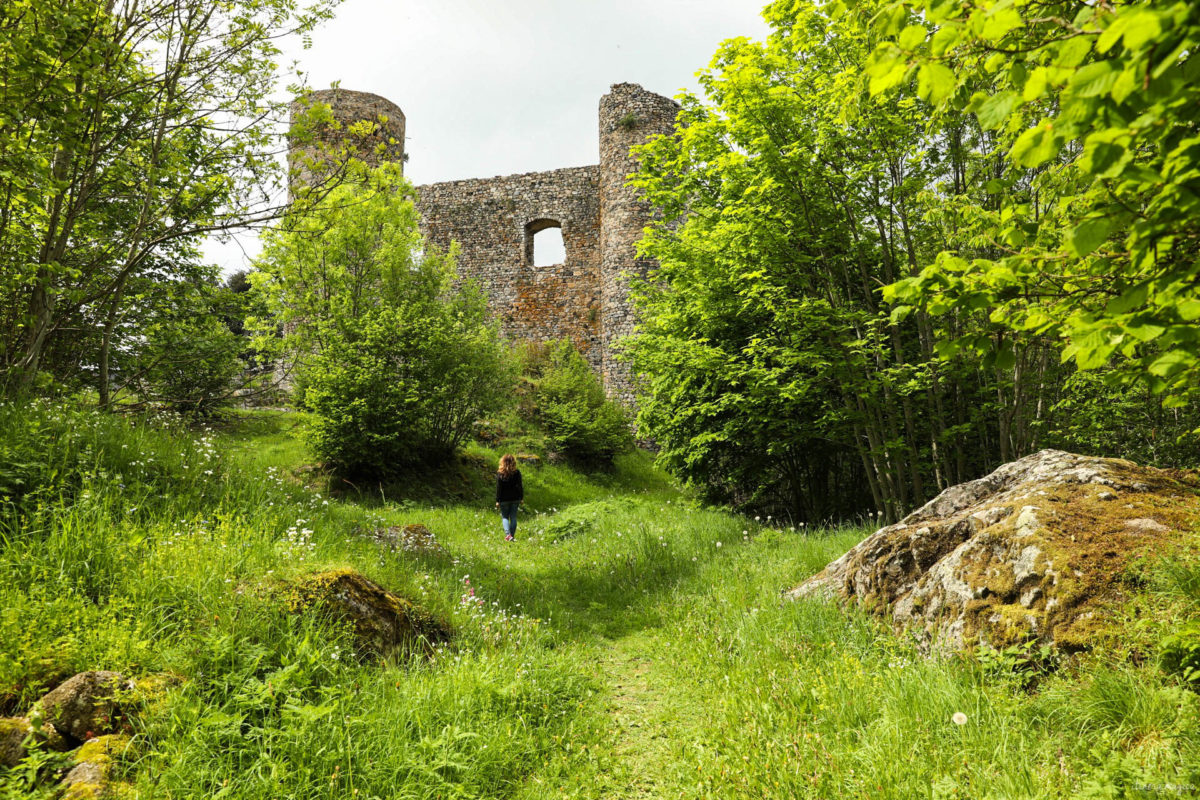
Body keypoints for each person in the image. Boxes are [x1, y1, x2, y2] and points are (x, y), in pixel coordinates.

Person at [495, 453, 524, 541]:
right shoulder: (517, 472)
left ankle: (508, 535)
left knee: (505, 517)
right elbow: (520, 486)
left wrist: (497, 500)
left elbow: (499, 488)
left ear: (502, 462)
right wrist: (521, 497)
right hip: (515, 498)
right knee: (513, 517)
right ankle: (512, 536)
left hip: (504, 499)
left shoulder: (500, 473)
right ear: (513, 462)